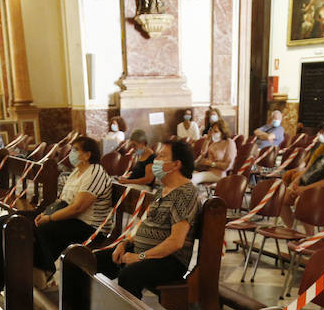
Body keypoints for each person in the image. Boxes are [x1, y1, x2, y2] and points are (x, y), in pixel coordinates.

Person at [96, 138, 201, 300]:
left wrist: (139, 257)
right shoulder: (163, 190)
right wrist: (124, 243)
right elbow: (144, 225)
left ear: (176, 164)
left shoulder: (185, 194)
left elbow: (175, 242)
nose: (156, 161)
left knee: (129, 275)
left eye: (162, 157)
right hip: (145, 253)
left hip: (169, 261)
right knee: (96, 260)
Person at [34, 135, 114, 272]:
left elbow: (78, 208)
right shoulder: (77, 171)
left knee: (47, 229)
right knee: (40, 227)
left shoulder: (95, 172)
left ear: (88, 155)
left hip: (92, 226)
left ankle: (45, 270)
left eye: (76, 150)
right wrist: (45, 214)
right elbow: (63, 200)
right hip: (75, 221)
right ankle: (41, 270)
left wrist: (50, 218)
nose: (72, 153)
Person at [192, 120, 235, 186]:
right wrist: (207, 140)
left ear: (222, 132)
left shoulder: (229, 143)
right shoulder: (213, 142)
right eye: (212, 131)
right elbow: (203, 154)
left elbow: (228, 166)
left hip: (218, 174)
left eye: (216, 131)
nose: (213, 133)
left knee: (193, 178)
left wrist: (212, 164)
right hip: (207, 170)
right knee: (185, 176)